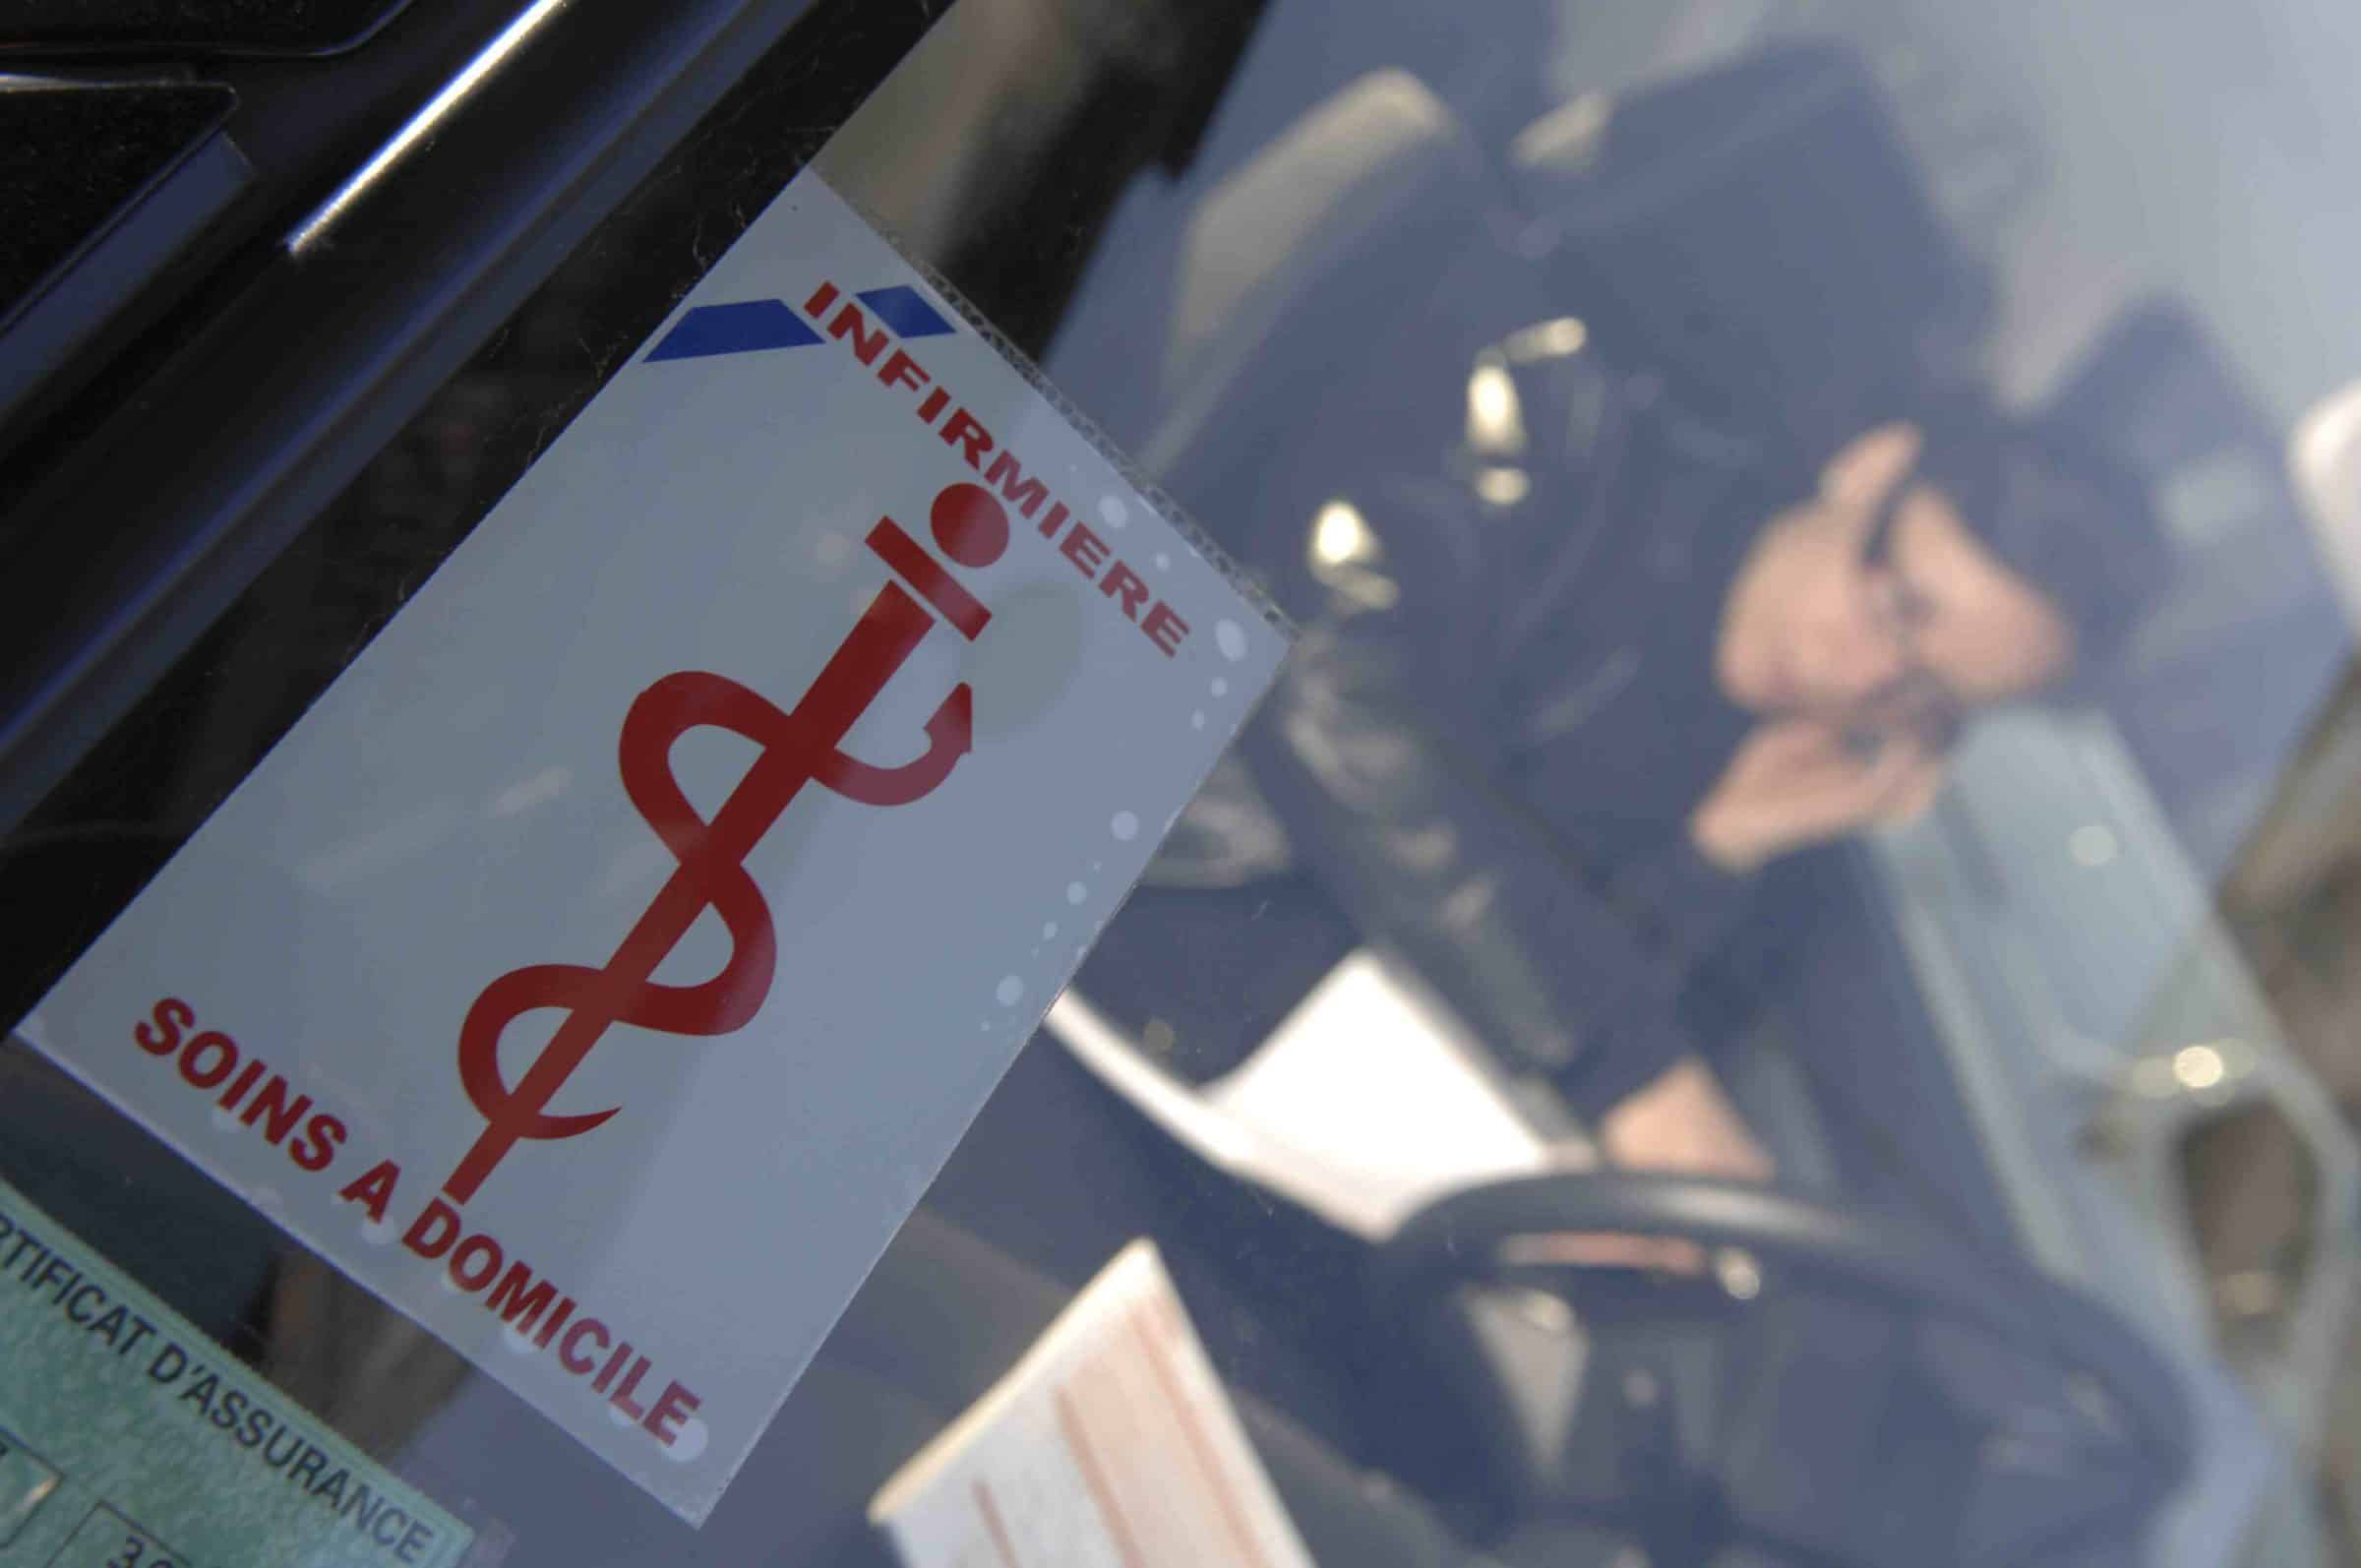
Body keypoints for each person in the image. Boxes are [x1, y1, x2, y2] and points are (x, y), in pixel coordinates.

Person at [1241, 317, 2170, 1179]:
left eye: (1932, 695)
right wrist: (1625, 1071)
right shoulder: (1566, 429)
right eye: (1898, 607)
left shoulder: (1778, 789)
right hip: (1186, 873)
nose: (1865, 676)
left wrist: (1720, 846)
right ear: (1870, 469)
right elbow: (1323, 685)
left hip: (1294, 1075)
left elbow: (1534, 978)